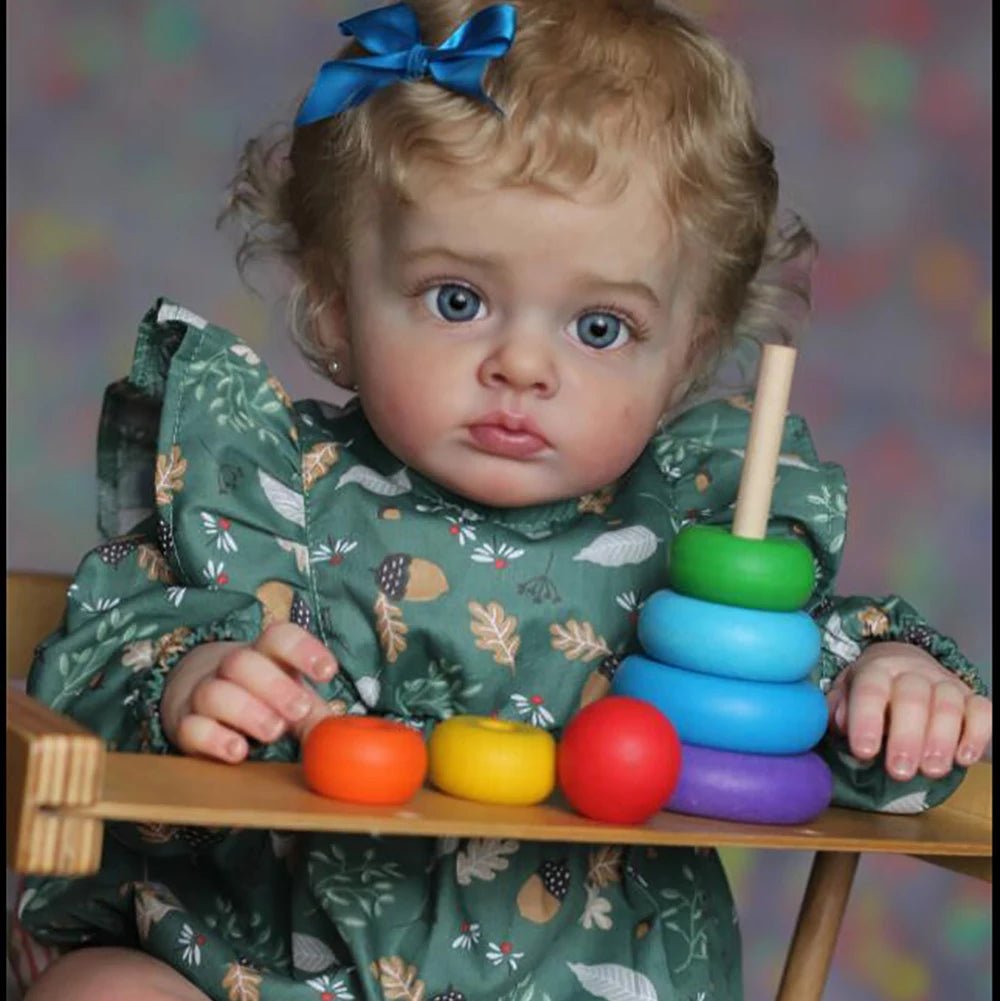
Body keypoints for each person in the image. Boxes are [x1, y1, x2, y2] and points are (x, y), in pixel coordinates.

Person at [19, 2, 991, 999]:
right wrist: (189, 678)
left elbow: (821, 726)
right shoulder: (275, 493)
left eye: (601, 326)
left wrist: (893, 686)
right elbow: (93, 656)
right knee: (102, 990)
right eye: (457, 299)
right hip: (265, 962)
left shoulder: (694, 541)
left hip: (578, 975)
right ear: (333, 303)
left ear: (687, 356)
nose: (521, 364)